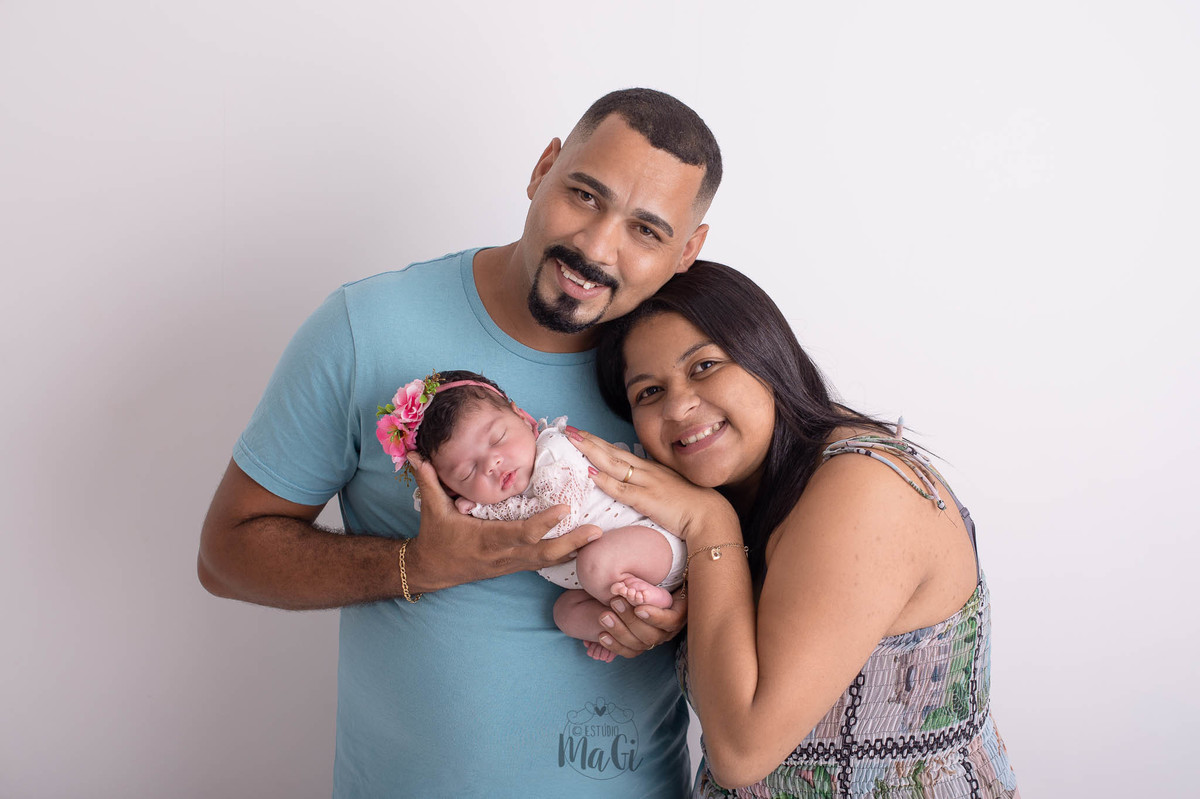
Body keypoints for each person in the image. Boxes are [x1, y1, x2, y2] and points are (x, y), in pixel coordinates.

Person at [197, 88, 720, 796]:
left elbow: (740, 550)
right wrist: (418, 564)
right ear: (543, 168)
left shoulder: (691, 378)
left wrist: (683, 606)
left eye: (646, 231)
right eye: (584, 195)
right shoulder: (363, 327)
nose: (597, 248)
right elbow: (227, 556)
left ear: (689, 250)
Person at [572, 261, 1021, 797]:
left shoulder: (863, 488)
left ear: (768, 356)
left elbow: (740, 753)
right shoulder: (740, 492)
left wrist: (708, 526)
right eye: (648, 392)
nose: (679, 405)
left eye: (704, 366)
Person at [377, 369, 687, 662]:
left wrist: (485, 510)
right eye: (467, 472)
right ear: (452, 491)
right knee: (564, 614)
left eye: (497, 438)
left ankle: (652, 598)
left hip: (656, 543)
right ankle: (616, 625)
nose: (492, 463)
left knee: (597, 563)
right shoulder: (490, 511)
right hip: (603, 585)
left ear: (523, 418)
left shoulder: (553, 450)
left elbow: (558, 520)